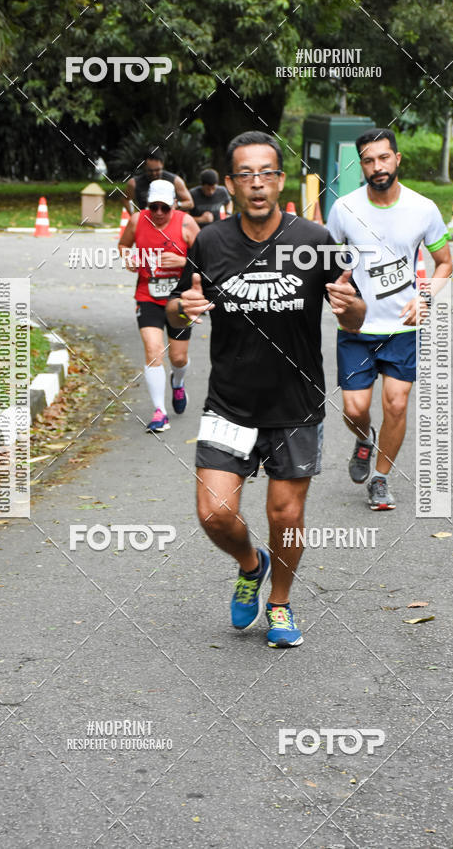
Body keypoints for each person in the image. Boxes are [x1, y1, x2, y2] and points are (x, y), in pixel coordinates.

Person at [166, 131, 365, 648]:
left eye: (267, 173)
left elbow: (356, 313)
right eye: (246, 175)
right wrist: (178, 312)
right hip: (229, 402)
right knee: (214, 512)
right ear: (231, 184)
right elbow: (175, 308)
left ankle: (279, 602)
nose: (257, 184)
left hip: (295, 406)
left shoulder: (314, 240)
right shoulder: (210, 242)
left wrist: (351, 309)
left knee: (287, 514)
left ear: (280, 180)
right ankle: (250, 564)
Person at [326, 128, 453, 511]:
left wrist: (425, 297)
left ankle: (380, 478)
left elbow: (444, 262)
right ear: (361, 165)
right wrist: (336, 292)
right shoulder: (343, 209)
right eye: (369, 160)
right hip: (356, 327)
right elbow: (326, 262)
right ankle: (365, 439)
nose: (377, 166)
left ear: (398, 159)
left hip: (403, 326)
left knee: (396, 404)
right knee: (354, 409)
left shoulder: (423, 209)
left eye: (384, 158)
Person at [119, 179, 200, 432]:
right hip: (148, 295)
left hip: (178, 299)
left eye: (165, 207)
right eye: (154, 207)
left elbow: (208, 259)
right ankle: (159, 412)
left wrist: (182, 261)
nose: (159, 213)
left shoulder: (186, 223)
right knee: (154, 350)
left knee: (178, 357)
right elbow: (123, 245)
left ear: (174, 205)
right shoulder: (136, 221)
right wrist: (128, 258)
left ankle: (178, 381)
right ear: (147, 205)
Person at [125, 147, 193, 213]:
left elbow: (190, 203)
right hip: (147, 220)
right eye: (150, 171)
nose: (154, 173)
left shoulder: (175, 181)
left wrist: (177, 205)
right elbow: (126, 199)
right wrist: (133, 214)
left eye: (157, 170)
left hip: (169, 221)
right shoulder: (134, 183)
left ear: (162, 165)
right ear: (144, 166)